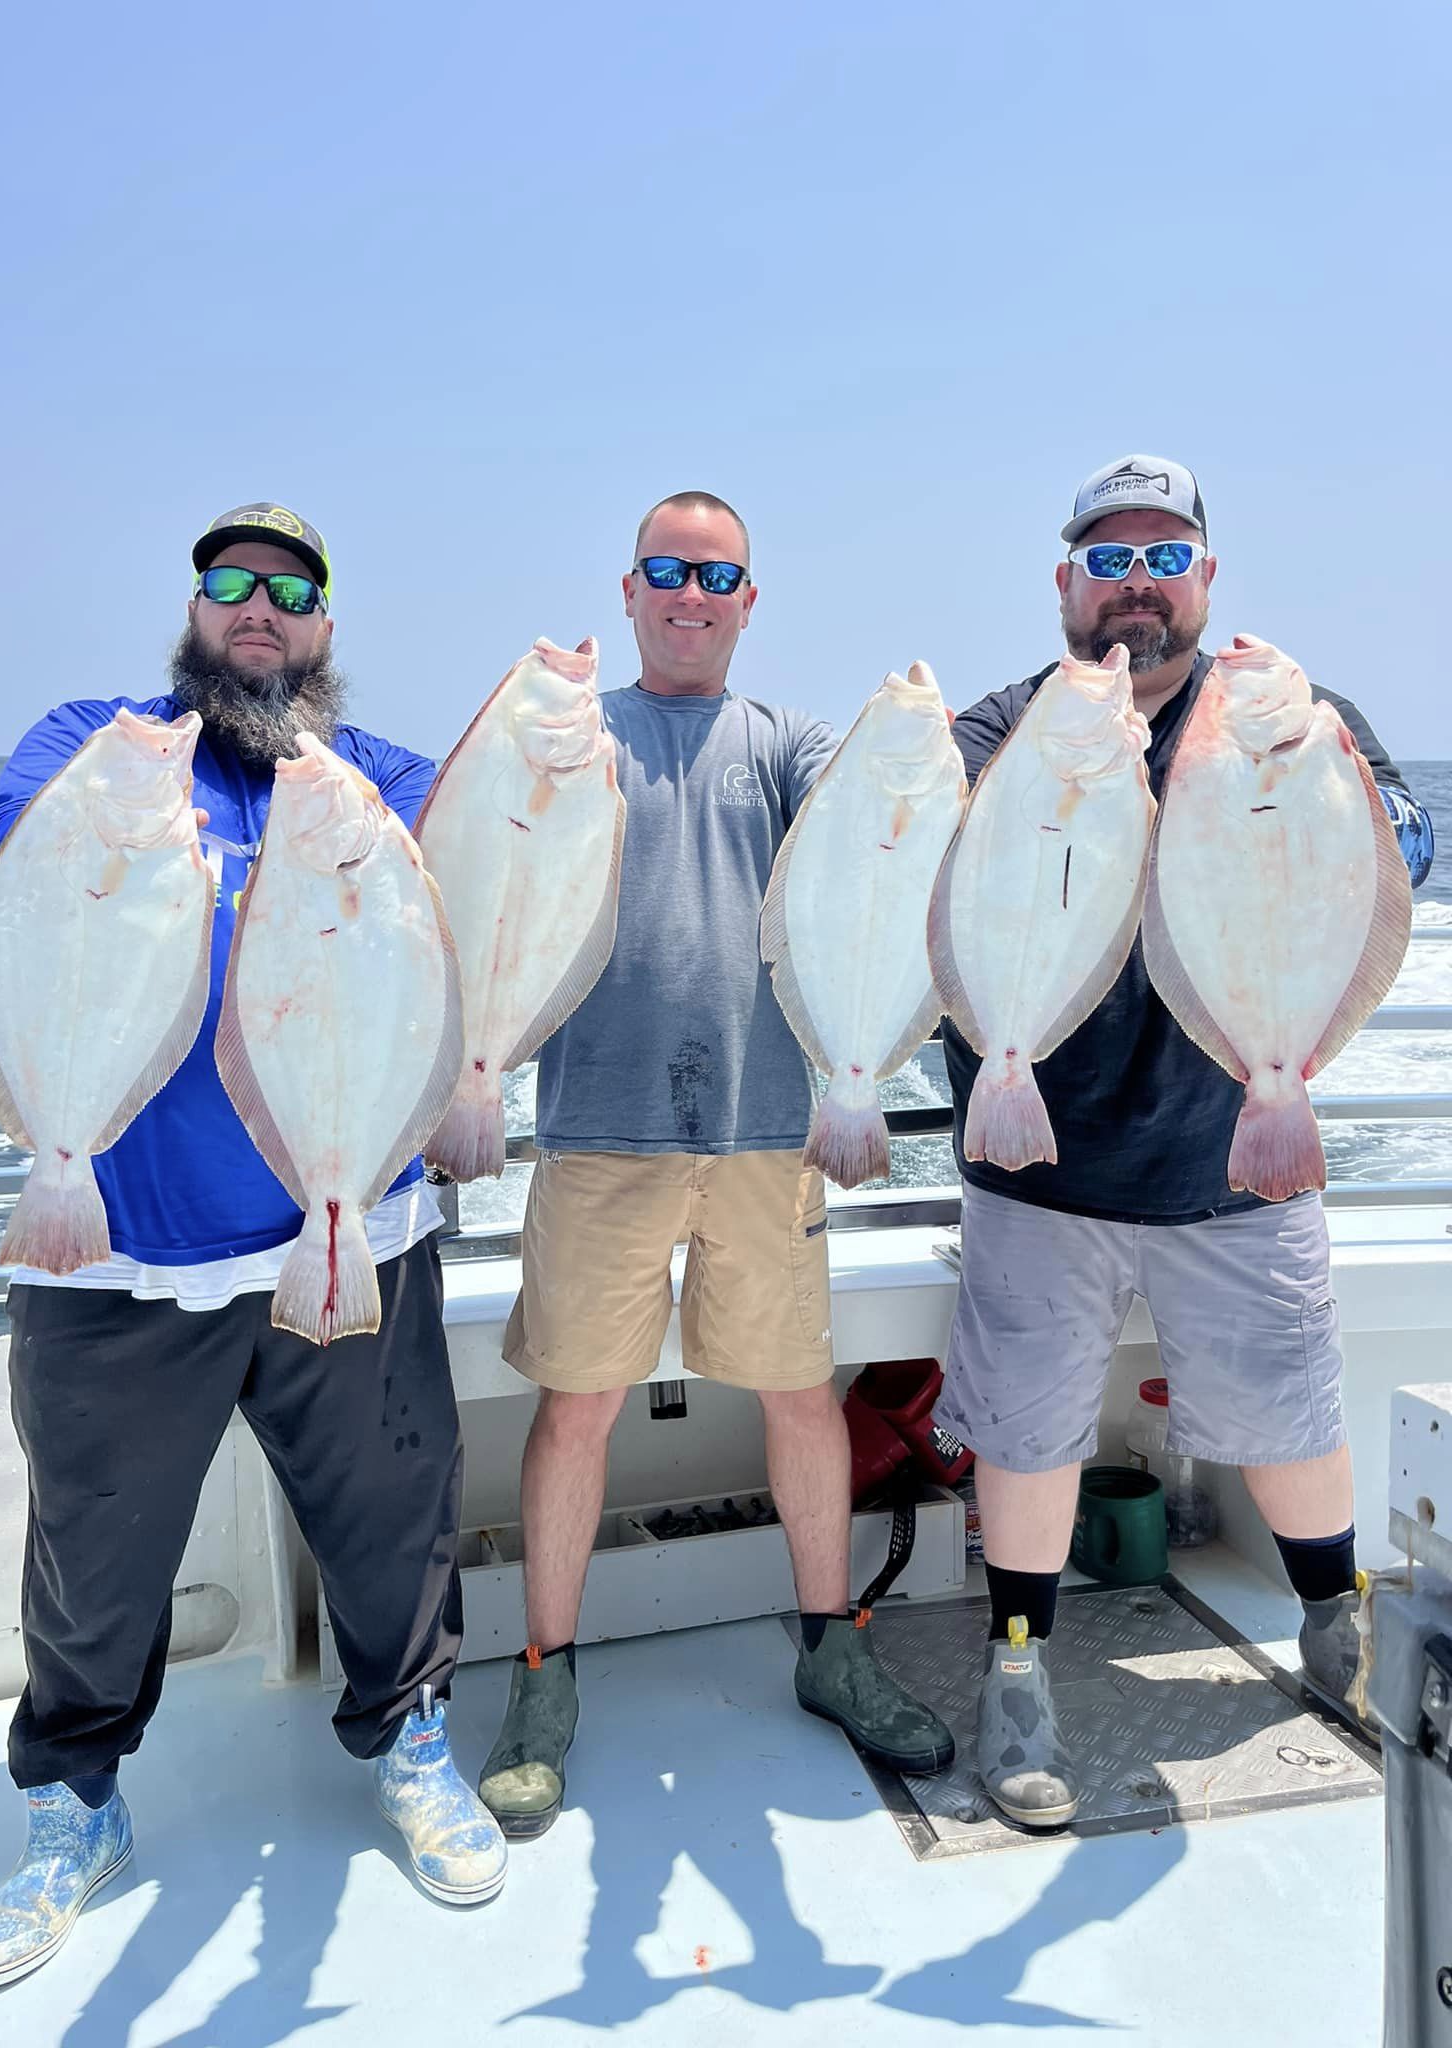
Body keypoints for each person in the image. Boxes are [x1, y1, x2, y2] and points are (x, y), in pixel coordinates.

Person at [0, 503, 505, 1992]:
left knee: (396, 1514)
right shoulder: (96, 742)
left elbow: (497, 890)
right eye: (229, 584)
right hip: (121, 1248)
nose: (257, 608)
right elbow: (16, 864)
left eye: (290, 589)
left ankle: (409, 1743)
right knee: (93, 1550)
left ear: (328, 624)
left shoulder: (377, 779)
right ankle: (71, 1808)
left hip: (347, 1230)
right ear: (193, 611)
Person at [933, 454, 1436, 1827]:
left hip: (1234, 1155)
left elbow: (1409, 850)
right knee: (1027, 1437)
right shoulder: (998, 731)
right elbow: (928, 869)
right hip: (1040, 1165)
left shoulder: (1298, 719)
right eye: (1109, 557)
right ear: (1065, 585)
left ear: (1206, 577)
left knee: (1291, 1411)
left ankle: (1337, 1628)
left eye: (1165, 554)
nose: (1137, 581)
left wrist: (1351, 794)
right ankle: (1019, 1672)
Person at [476, 491, 956, 1840]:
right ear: (628, 591)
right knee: (578, 1409)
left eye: (720, 574)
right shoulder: (579, 738)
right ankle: (543, 1681)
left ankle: (831, 1647)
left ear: (752, 601)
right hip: (595, 1133)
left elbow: (879, 844)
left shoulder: (789, 744)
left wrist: (911, 742)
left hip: (768, 1132)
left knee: (800, 1395)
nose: (693, 593)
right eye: (668, 571)